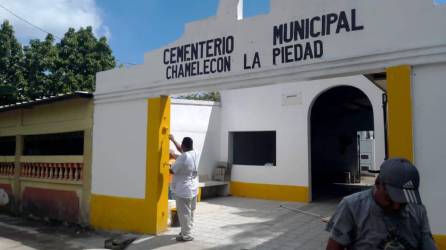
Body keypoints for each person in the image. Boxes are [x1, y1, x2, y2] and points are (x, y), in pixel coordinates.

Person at [326, 158, 437, 250]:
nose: (396, 206)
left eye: (403, 201)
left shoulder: (418, 210)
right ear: (378, 183)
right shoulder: (351, 206)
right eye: (390, 198)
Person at [169, 134, 199, 242]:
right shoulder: (195, 153)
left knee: (184, 214)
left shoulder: (184, 157)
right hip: (193, 189)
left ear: (183, 146)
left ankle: (186, 235)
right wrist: (173, 140)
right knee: (190, 212)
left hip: (183, 190)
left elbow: (172, 170)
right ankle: (187, 231)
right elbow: (182, 154)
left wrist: (168, 161)